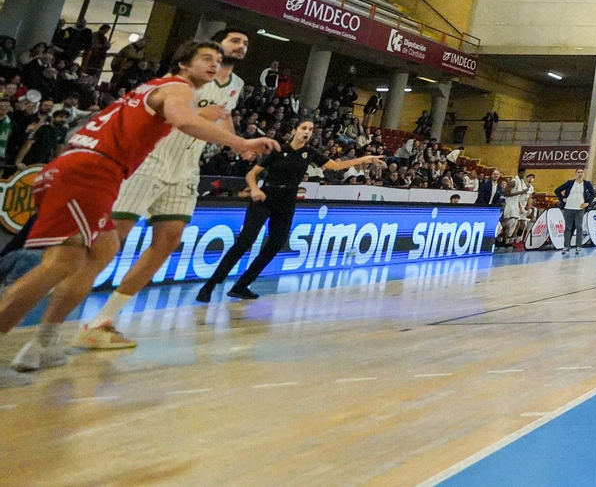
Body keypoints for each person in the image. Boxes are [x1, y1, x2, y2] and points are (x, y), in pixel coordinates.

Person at [0, 41, 277, 378]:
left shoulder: (167, 88)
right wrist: (240, 142)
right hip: (92, 171)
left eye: (217, 60)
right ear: (183, 63)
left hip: (92, 169)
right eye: (206, 58)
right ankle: (38, 336)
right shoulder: (176, 86)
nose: (214, 64)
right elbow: (181, 120)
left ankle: (49, 339)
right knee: (60, 264)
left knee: (104, 248)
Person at [77, 27, 252, 349]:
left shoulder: (236, 84)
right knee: (111, 240)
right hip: (153, 158)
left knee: (168, 240)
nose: (241, 47)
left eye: (244, 44)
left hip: (186, 165)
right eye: (235, 41)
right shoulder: (184, 77)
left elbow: (219, 117)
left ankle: (103, 320)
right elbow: (173, 114)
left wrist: (236, 140)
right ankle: (57, 310)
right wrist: (206, 116)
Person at [196, 119, 383, 301]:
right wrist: (254, 189)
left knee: (277, 243)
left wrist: (364, 158)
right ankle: (210, 285)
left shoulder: (310, 152)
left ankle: (242, 285)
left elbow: (334, 165)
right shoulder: (279, 149)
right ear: (294, 131)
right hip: (266, 196)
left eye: (310, 129)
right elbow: (252, 174)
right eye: (304, 128)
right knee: (245, 241)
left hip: (287, 201)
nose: (307, 132)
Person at [551, 168, 596, 255]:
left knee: (579, 227)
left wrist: (587, 203)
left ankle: (578, 246)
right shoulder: (570, 183)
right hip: (569, 208)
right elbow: (557, 190)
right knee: (568, 227)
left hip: (580, 208)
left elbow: (593, 194)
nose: (580, 174)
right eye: (578, 172)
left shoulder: (587, 184)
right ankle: (566, 246)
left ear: (583, 174)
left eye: (581, 172)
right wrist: (562, 199)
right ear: (575, 174)